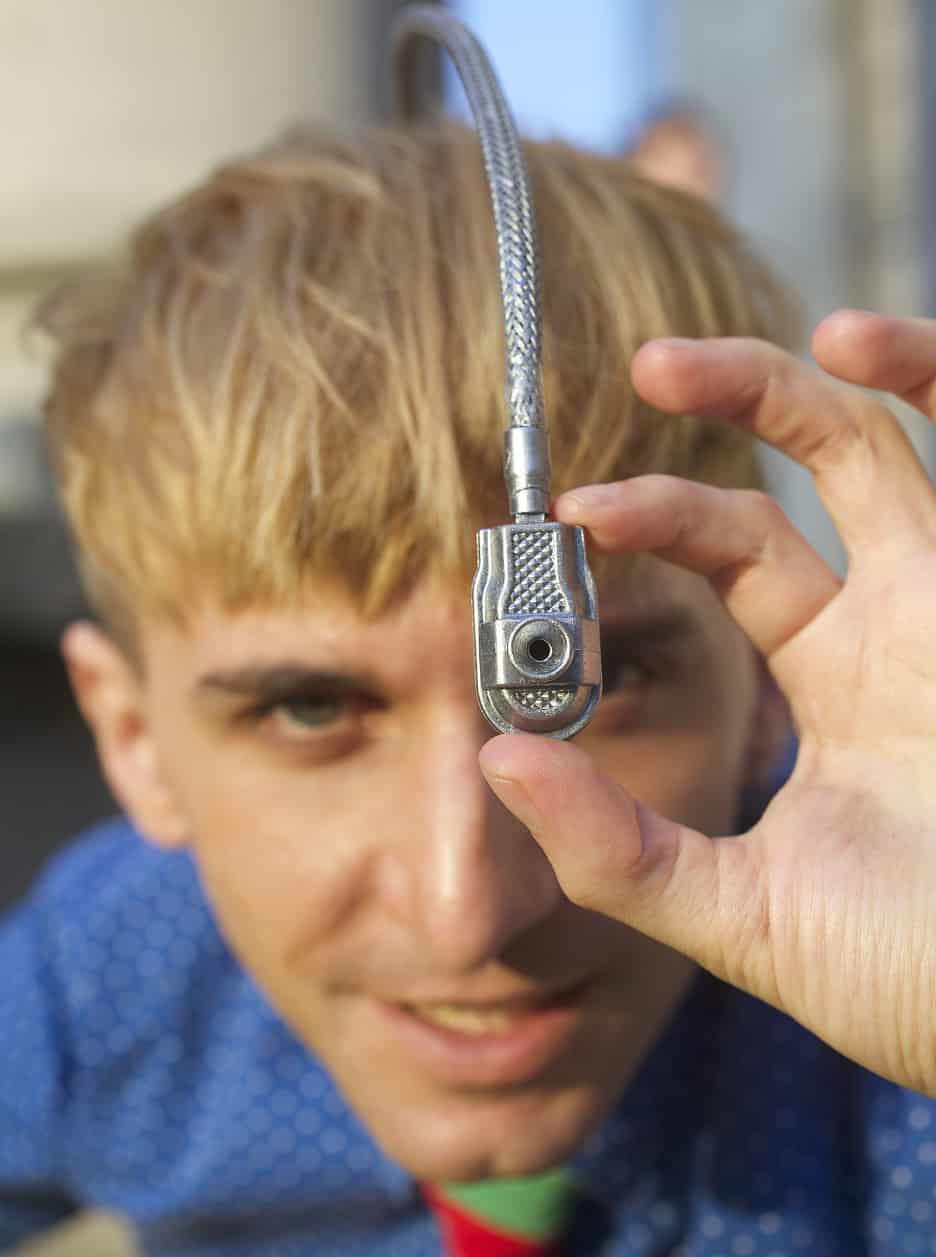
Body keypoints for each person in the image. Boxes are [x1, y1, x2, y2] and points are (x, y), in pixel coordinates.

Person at [3, 117, 936, 1257]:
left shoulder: (890, 969)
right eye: (308, 710)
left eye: (595, 679)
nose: (469, 910)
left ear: (766, 689)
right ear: (134, 737)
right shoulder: (109, 979)